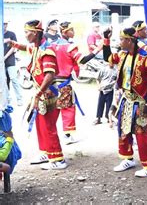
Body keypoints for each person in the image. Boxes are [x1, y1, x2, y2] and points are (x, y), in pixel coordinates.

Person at [102, 27, 147, 177]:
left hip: (141, 101)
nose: (120, 42)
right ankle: (127, 158)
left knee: (141, 132)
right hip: (127, 99)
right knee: (123, 130)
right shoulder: (122, 54)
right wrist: (106, 40)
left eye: (121, 39)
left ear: (129, 40)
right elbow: (106, 57)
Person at [8, 20, 67, 170]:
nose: (25, 34)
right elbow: (25, 47)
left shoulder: (47, 50)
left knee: (48, 126)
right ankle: (47, 153)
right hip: (41, 93)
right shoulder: (36, 47)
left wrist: (39, 93)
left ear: (35, 33)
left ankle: (58, 159)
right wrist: (14, 44)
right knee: (40, 125)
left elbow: (50, 75)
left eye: (27, 32)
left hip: (47, 94)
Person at [51, 22, 104, 144]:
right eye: (71, 30)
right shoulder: (69, 47)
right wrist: (98, 49)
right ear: (65, 32)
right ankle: (67, 135)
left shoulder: (52, 45)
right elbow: (83, 60)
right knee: (68, 108)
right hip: (64, 83)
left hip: (51, 83)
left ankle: (53, 134)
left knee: (53, 110)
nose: (73, 32)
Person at [3, 21, 23, 106]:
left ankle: (19, 99)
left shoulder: (11, 34)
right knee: (4, 81)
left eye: (6, 24)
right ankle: (7, 99)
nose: (4, 25)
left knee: (14, 79)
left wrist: (5, 57)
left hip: (10, 60)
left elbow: (14, 47)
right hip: (1, 63)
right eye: (3, 23)